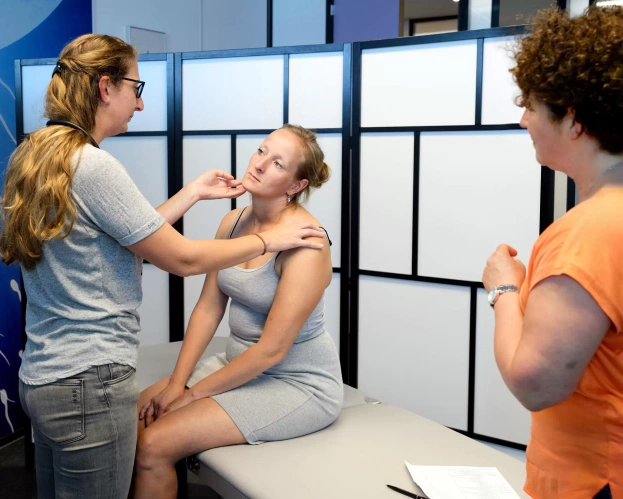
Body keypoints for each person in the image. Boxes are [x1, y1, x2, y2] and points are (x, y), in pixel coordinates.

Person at [0, 34, 325, 499]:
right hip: (88, 384)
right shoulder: (95, 166)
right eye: (137, 87)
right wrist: (267, 239)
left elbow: (121, 235)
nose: (141, 104)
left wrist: (191, 193)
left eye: (279, 162)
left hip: (44, 376)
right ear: (106, 87)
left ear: (298, 185)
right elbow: (183, 259)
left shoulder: (35, 154)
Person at [133, 124, 343, 498]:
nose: (260, 165)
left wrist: (190, 397)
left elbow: (272, 350)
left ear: (296, 186)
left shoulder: (307, 243)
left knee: (154, 443)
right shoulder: (232, 223)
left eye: (278, 163)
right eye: (262, 151)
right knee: (140, 413)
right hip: (237, 366)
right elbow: (207, 309)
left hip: (296, 383)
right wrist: (177, 382)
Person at [482, 6, 623, 499]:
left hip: (593, 480)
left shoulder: (590, 231)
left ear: (575, 121)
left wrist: (504, 288)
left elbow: (535, 384)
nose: (524, 121)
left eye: (533, 107)